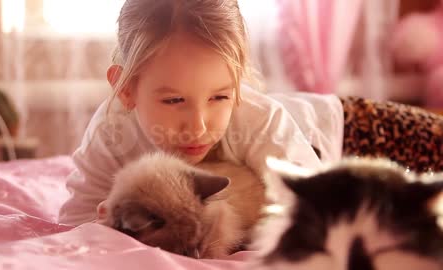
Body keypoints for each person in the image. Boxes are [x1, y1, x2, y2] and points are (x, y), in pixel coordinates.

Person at [58, 0, 344, 226]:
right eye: (174, 100)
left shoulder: (261, 121)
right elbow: (77, 221)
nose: (198, 127)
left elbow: (320, 212)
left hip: (341, 129)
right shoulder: (113, 132)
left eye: (220, 96)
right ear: (127, 89)